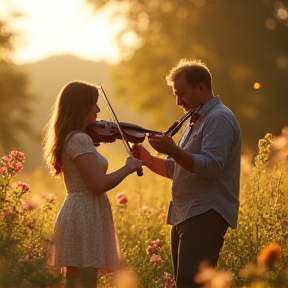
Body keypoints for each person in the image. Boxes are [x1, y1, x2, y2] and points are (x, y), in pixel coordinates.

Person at [132, 59, 241, 288]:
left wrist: (172, 149)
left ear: (200, 88)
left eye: (181, 93)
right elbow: (177, 168)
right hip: (185, 214)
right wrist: (148, 158)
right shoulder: (194, 120)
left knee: (191, 285)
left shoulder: (218, 118)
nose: (178, 101)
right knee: (185, 284)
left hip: (205, 213)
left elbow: (211, 167)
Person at [43, 80, 142, 288]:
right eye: (94, 104)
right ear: (81, 106)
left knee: (81, 280)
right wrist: (128, 168)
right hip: (84, 212)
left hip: (83, 210)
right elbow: (97, 184)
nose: (98, 110)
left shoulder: (76, 137)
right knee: (83, 281)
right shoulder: (79, 139)